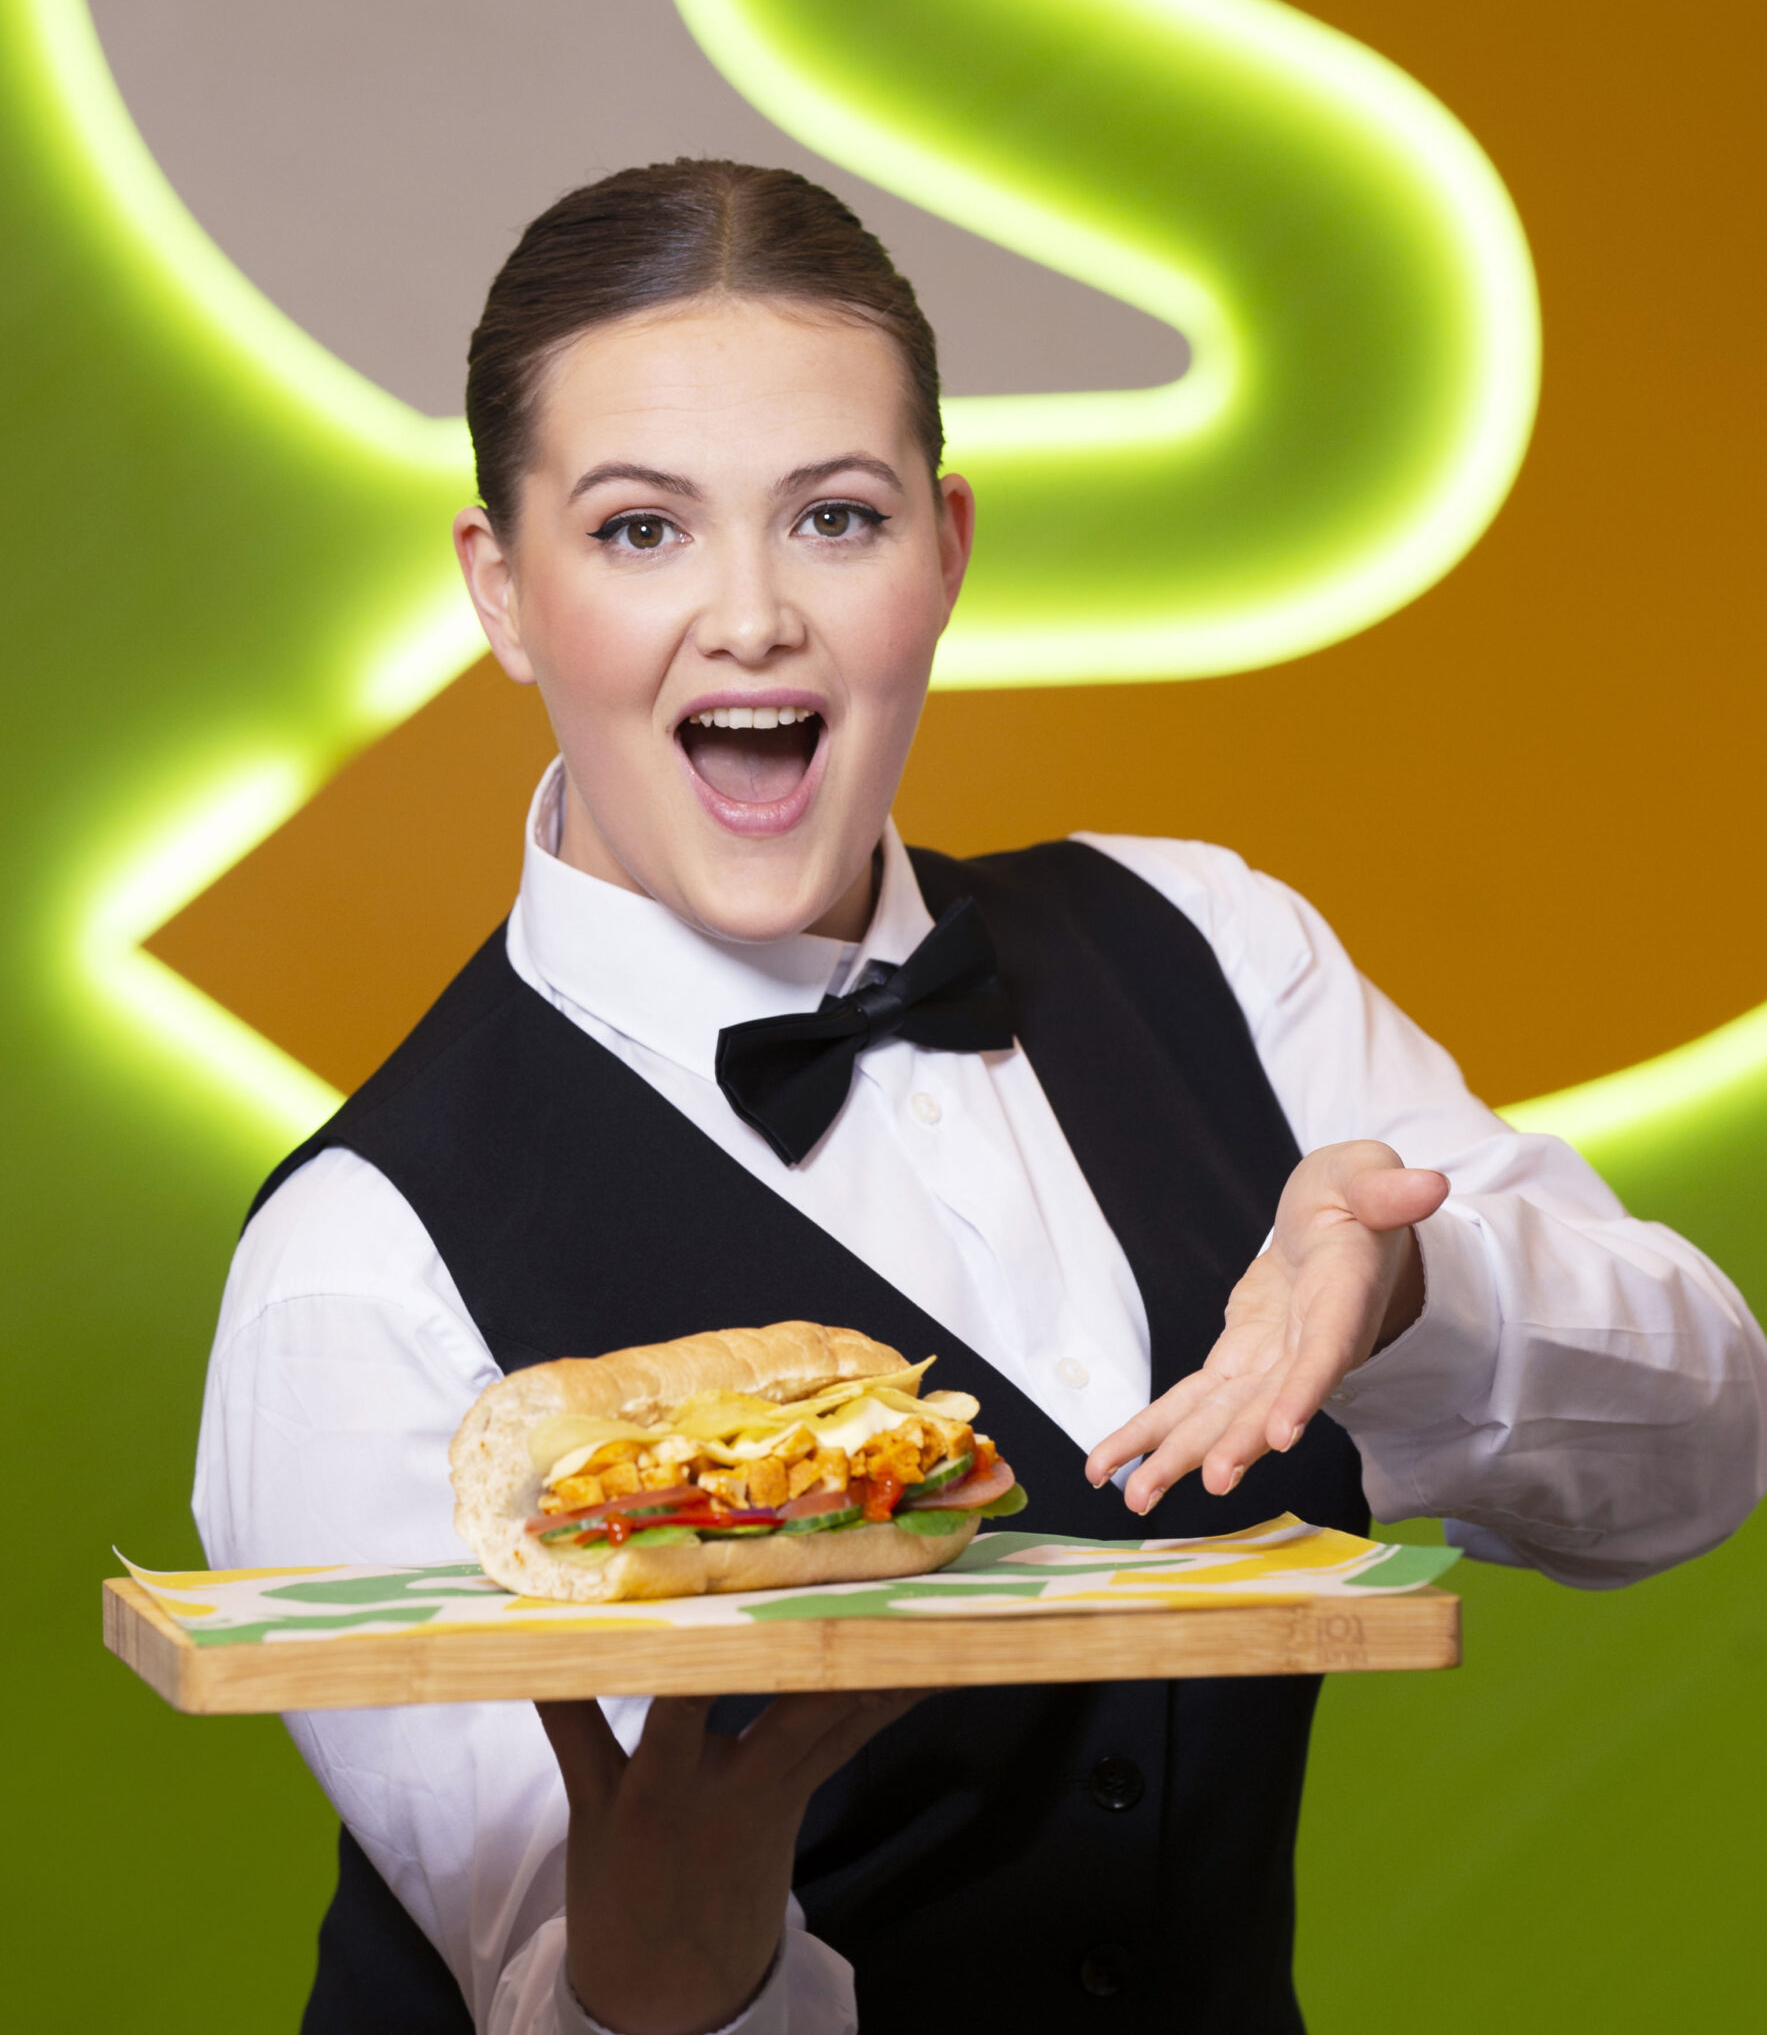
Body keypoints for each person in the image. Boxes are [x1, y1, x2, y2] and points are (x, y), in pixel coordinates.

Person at [195, 158, 1767, 2035]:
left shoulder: (1211, 947)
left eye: (834, 518)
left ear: (943, 550)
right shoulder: (357, 1264)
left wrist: (1416, 1293)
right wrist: (676, 1957)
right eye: (640, 530)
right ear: (502, 591)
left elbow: (1698, 1469)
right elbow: (545, 1972)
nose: (752, 618)